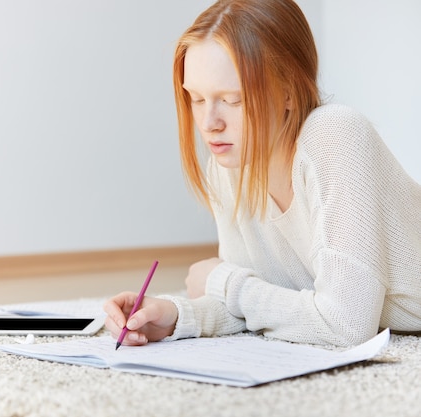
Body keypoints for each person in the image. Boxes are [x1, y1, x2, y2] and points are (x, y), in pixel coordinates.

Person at [103, 0, 421, 347]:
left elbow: (345, 323)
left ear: (287, 91)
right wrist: (177, 316)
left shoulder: (335, 134)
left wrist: (222, 281)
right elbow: (261, 301)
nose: (210, 123)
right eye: (196, 99)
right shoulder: (227, 167)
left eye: (233, 99)